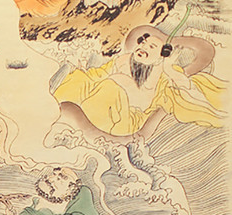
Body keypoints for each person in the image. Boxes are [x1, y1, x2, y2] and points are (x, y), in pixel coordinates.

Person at [54, 25, 226, 136]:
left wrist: (168, 68)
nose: (143, 48)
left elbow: (185, 87)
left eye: (151, 47)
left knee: (109, 87)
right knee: (81, 79)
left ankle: (81, 124)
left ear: (161, 56)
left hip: (125, 119)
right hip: (100, 102)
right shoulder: (124, 59)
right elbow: (98, 74)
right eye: (143, 43)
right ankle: (54, 107)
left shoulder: (164, 71)